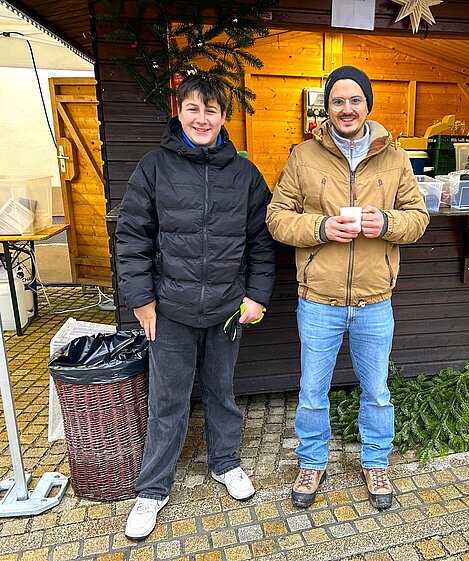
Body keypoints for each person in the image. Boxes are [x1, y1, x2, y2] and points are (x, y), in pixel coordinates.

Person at [116, 75, 277, 540]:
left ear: (224, 117)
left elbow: (261, 243)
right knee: (167, 401)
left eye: (211, 110)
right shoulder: (153, 167)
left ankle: (226, 463)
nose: (201, 118)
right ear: (179, 112)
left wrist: (256, 296)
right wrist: (142, 300)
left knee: (222, 392)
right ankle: (152, 489)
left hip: (227, 308)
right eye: (193, 109)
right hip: (170, 310)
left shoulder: (245, 175)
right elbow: (132, 238)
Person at [266, 66, 429, 511]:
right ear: (327, 108)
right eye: (338, 101)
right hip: (318, 299)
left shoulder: (394, 158)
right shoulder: (303, 156)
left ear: (367, 105)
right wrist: (320, 227)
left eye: (355, 99)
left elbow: (418, 218)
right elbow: (276, 217)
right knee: (312, 391)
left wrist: (387, 222)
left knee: (376, 390)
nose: (347, 108)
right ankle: (312, 461)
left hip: (375, 300)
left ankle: (376, 461)